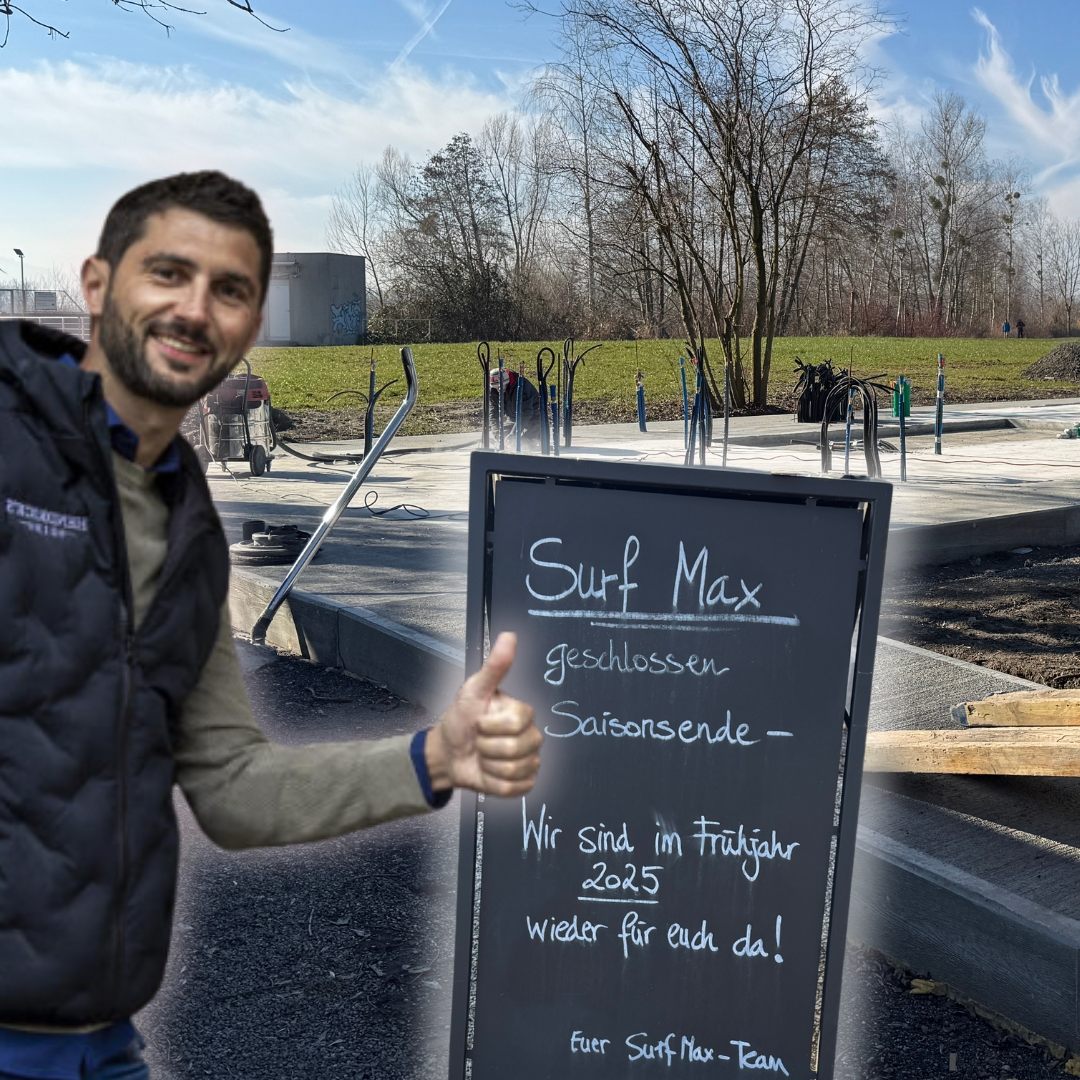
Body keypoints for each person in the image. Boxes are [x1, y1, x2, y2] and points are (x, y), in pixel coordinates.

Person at [0, 171, 543, 1079]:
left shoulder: (187, 531)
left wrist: (433, 760)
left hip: (98, 1036)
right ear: (97, 286)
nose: (194, 309)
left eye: (231, 290)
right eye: (167, 273)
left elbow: (235, 787)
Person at [488, 367, 542, 447]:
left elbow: (526, 413)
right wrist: (497, 434)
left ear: (507, 382)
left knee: (527, 443)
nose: (498, 390)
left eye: (499, 387)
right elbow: (493, 413)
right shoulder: (493, 390)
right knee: (505, 437)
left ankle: (533, 440)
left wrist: (513, 434)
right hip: (513, 419)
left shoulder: (522, 386)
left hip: (533, 417)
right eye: (495, 387)